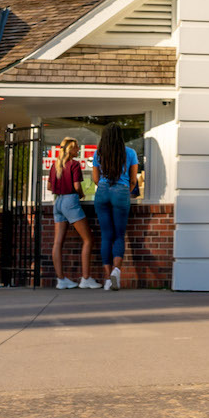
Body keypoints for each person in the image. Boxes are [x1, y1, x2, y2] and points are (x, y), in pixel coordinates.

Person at [92, 123, 140, 292]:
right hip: (121, 192)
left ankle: (107, 279)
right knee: (119, 235)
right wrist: (127, 188)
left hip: (103, 191)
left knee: (106, 235)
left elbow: (95, 179)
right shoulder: (130, 153)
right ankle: (116, 271)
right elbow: (134, 180)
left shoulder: (98, 154)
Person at [49, 137, 96, 289]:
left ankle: (61, 280)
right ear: (71, 149)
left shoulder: (54, 165)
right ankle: (86, 278)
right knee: (88, 239)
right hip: (70, 201)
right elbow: (76, 186)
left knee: (57, 242)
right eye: (76, 148)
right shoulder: (74, 164)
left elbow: (50, 187)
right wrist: (82, 194)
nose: (78, 150)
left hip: (58, 202)